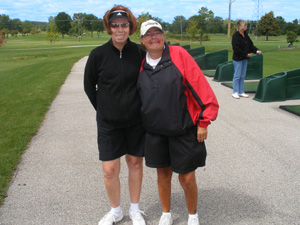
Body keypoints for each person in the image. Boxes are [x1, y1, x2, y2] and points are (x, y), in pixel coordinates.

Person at [137, 20, 219, 225]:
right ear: (142, 40)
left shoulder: (179, 55)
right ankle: (166, 213)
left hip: (182, 128)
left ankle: (193, 215)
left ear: (163, 36)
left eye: (157, 33)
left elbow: (200, 87)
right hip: (155, 131)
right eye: (148, 34)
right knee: (163, 174)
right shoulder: (141, 63)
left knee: (187, 178)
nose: (153, 37)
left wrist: (203, 121)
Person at [84, 5, 146, 225]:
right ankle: (116, 211)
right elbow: (89, 86)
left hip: (136, 123)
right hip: (109, 124)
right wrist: (104, 110)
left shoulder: (139, 52)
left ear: (130, 27)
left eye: (124, 25)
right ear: (109, 28)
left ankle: (135, 210)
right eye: (115, 25)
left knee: (136, 164)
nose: (120, 29)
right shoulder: (98, 55)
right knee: (110, 170)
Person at [231, 19, 262, 99]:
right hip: (238, 59)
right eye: (245, 25)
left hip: (245, 59)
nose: (246, 26)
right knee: (237, 76)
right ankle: (235, 92)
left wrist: (256, 50)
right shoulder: (236, 36)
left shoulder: (246, 35)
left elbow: (250, 46)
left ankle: (241, 91)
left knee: (242, 76)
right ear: (241, 26)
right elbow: (236, 49)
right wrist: (245, 54)